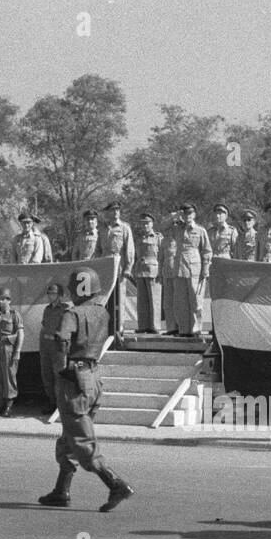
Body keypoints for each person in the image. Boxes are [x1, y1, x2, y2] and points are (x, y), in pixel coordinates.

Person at [38, 267, 134, 512]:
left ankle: (115, 484)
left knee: (81, 439)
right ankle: (61, 491)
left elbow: (62, 340)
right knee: (70, 435)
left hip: (74, 378)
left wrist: (60, 369)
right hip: (93, 377)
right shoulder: (102, 313)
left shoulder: (72, 313)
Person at [165, 202, 211, 337]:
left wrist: (206, 268)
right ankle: (184, 330)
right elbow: (162, 227)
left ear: (194, 214)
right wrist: (174, 216)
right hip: (179, 267)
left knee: (195, 301)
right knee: (180, 302)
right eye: (185, 213)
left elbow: (207, 251)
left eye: (190, 213)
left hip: (194, 268)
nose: (188, 216)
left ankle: (196, 330)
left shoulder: (200, 230)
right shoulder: (177, 228)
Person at [95, 202, 134, 333]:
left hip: (119, 267)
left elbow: (129, 250)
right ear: (108, 212)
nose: (116, 212)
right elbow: (98, 250)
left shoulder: (124, 228)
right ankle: (106, 328)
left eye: (117, 209)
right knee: (105, 298)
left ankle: (120, 328)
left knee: (120, 298)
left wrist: (128, 268)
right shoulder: (103, 228)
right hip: (105, 267)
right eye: (113, 210)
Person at [0, 287, 23, 418]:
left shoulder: (14, 315)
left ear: (9, 300)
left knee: (9, 376)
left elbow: (20, 334)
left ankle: (8, 406)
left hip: (8, 348)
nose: (1, 302)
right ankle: (1, 404)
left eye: (3, 299)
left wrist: (17, 351)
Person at [39, 281, 71, 414]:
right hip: (46, 346)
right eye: (49, 293)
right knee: (47, 376)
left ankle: (60, 404)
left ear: (60, 295)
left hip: (58, 346)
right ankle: (52, 402)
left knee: (59, 376)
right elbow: (44, 326)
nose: (50, 295)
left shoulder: (65, 309)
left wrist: (59, 338)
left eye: (53, 293)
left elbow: (67, 329)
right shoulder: (47, 309)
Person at [133, 213, 163, 334]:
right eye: (143, 223)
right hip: (140, 270)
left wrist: (161, 271)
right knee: (142, 301)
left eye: (147, 223)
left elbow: (162, 255)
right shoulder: (138, 238)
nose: (145, 225)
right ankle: (143, 326)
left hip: (153, 271)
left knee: (154, 300)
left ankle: (155, 326)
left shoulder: (158, 237)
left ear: (152, 224)